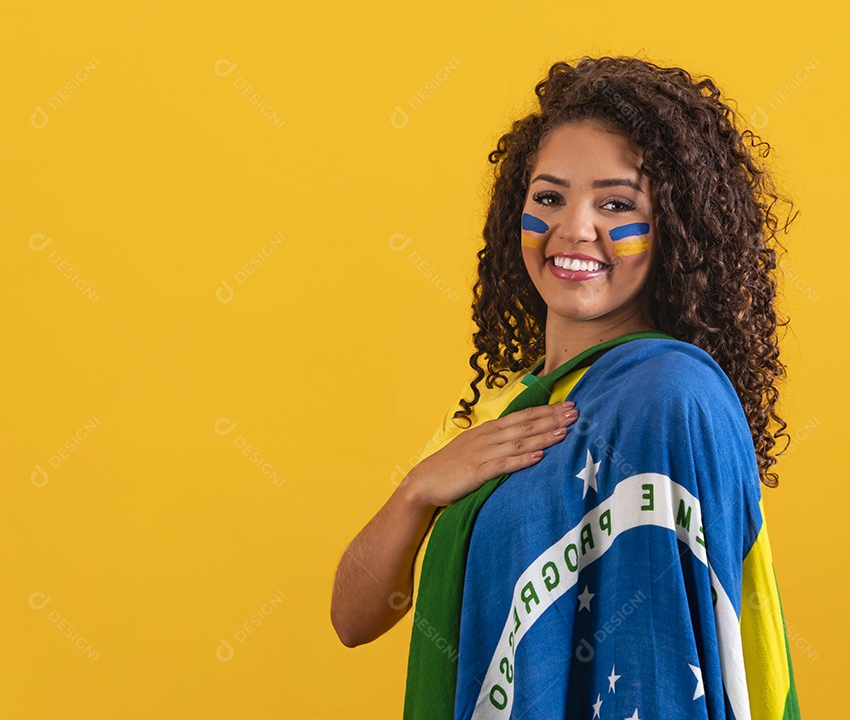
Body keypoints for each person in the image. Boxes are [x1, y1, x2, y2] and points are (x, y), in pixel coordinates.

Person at [331, 55, 801, 720]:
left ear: (676, 225)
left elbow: (665, 663)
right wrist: (418, 490)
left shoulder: (672, 397)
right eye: (549, 197)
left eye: (616, 204)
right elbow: (353, 619)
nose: (574, 229)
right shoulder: (497, 412)